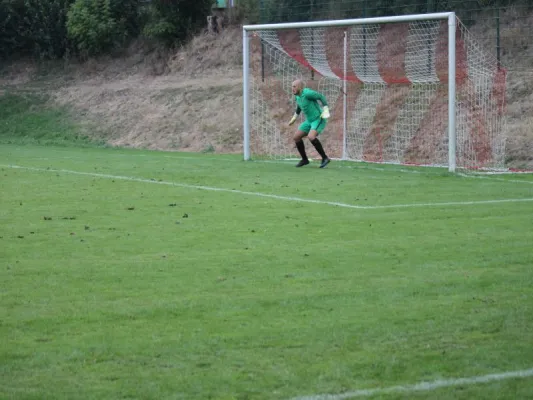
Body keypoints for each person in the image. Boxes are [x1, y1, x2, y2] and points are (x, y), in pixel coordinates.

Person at [288, 79, 331, 168]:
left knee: (311, 137)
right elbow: (299, 106)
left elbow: (321, 96)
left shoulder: (307, 93)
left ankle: (325, 158)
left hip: (318, 118)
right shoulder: (297, 96)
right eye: (292, 86)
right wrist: (295, 117)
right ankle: (305, 160)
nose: (292, 88)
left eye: (294, 86)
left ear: (300, 87)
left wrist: (326, 109)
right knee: (296, 137)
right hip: (309, 121)